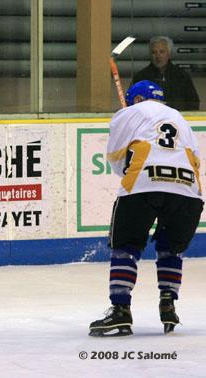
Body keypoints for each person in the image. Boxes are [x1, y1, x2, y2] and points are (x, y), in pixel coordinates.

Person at [89, 80, 203, 337]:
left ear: (137, 100)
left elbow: (117, 161)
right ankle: (168, 304)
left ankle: (120, 311)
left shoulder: (128, 113)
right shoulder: (179, 118)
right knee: (170, 245)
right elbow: (196, 159)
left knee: (126, 245)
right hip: (188, 190)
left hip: (144, 183)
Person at [130, 36, 200, 111]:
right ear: (150, 55)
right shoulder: (141, 77)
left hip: (176, 119)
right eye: (154, 52)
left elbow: (194, 103)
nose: (158, 56)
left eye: (162, 52)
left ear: (169, 54)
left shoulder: (182, 76)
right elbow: (131, 103)